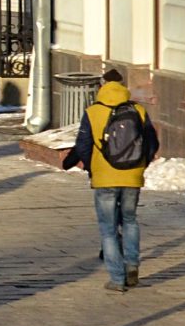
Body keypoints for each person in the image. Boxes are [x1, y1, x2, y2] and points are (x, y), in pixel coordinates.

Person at [60, 67, 157, 289]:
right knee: (130, 221)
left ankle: (117, 279)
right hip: (132, 176)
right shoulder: (138, 110)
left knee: (109, 229)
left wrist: (92, 169)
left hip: (104, 178)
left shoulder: (93, 112)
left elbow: (83, 146)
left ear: (101, 86)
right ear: (124, 87)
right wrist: (140, 166)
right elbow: (152, 143)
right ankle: (132, 266)